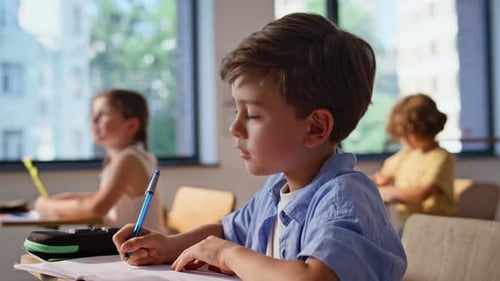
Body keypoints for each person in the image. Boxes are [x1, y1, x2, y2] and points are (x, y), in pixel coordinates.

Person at [112, 13, 406, 281]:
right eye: (236, 111)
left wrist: (227, 253)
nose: (234, 127)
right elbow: (229, 231)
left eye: (252, 115)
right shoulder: (275, 189)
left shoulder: (345, 196)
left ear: (315, 128)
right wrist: (169, 245)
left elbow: (312, 278)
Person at [34, 88, 166, 232]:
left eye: (102, 114)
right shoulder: (131, 157)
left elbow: (96, 208)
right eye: (93, 114)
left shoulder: (129, 159)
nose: (93, 120)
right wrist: (64, 199)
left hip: (135, 251)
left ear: (132, 125)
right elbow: (101, 198)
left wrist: (45, 205)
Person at [371, 93, 455, 229]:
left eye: (408, 133)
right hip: (408, 226)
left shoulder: (441, 157)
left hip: (436, 228)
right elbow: (380, 177)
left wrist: (384, 190)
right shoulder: (405, 154)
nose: (403, 139)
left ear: (424, 128)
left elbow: (421, 194)